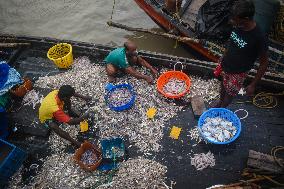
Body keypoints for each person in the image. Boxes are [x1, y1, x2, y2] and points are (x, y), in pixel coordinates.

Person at [213, 0, 268, 108]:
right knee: (223, 86)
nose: (232, 21)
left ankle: (222, 110)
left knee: (230, 94)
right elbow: (231, 42)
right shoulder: (238, 26)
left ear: (246, 19)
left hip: (238, 72)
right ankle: (219, 103)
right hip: (226, 64)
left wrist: (253, 84)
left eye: (235, 19)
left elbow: (264, 63)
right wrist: (223, 58)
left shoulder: (259, 37)